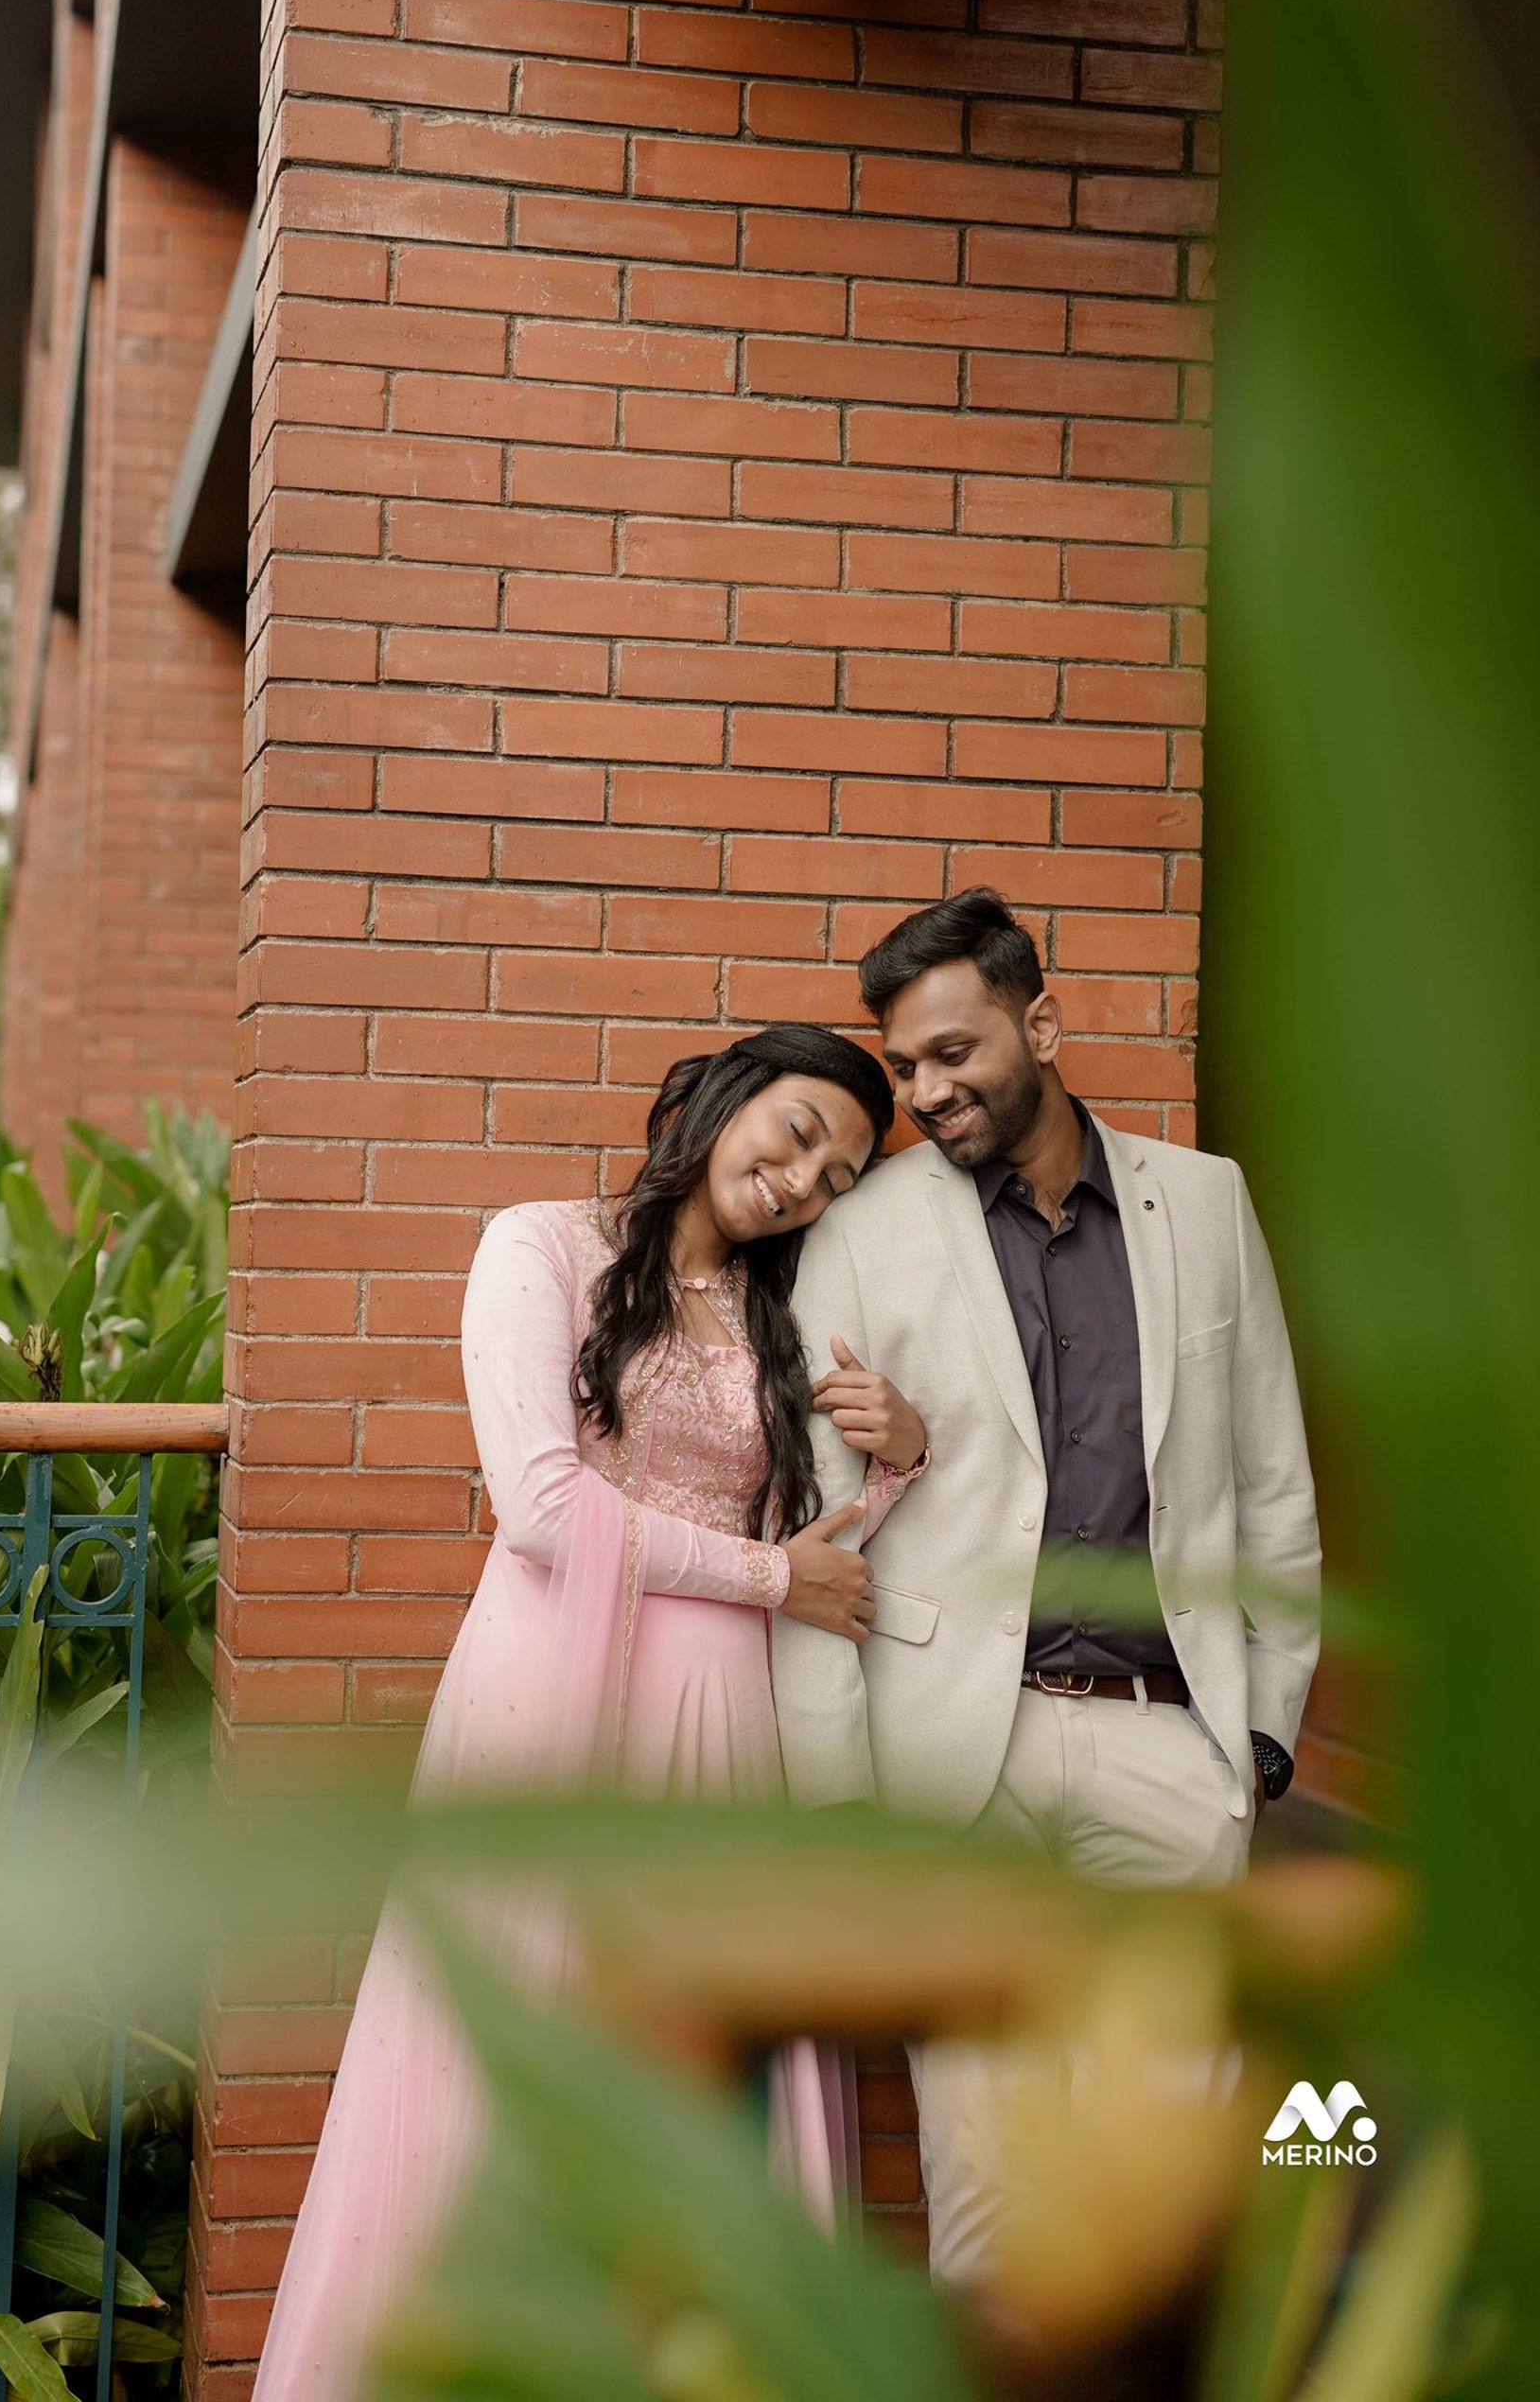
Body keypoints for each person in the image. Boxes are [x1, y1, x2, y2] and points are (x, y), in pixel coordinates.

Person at [254, 1024, 928, 2400]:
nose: (807, 1179)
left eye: (841, 1174)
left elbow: (815, 1552)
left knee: (700, 2067)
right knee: (520, 2044)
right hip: (555, 1698)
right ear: (723, 1099)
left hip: (724, 1726)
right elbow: (542, 1506)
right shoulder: (538, 1247)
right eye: (798, 1133)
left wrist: (902, 1464)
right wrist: (766, 1577)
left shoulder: (769, 1316)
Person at [772, 890, 1321, 2290]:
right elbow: (819, 1539)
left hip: (1169, 1743)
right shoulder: (866, 1230)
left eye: (953, 1053)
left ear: (1044, 1025)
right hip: (963, 1763)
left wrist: (1259, 1738)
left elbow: (1273, 1488)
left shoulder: (1206, 1204)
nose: (926, 1090)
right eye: (904, 1068)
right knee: (987, 2197)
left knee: (1172, 2186)